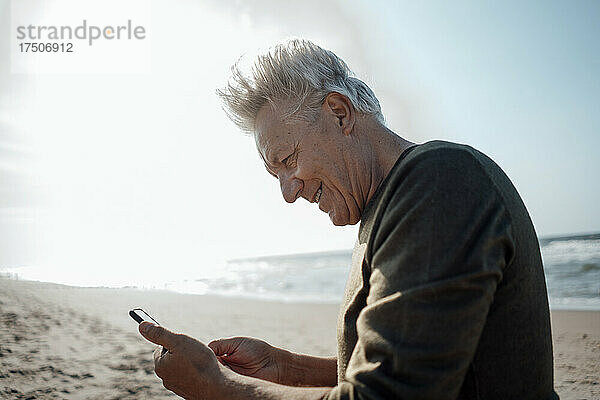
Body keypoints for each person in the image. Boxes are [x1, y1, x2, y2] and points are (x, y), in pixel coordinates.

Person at [138, 39, 559, 400]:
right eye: (276, 175)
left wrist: (217, 386)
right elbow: (411, 369)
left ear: (339, 112)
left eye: (288, 160)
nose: (288, 192)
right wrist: (285, 370)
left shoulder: (439, 180)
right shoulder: (393, 202)